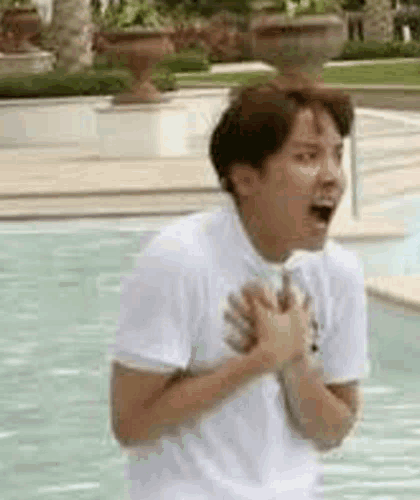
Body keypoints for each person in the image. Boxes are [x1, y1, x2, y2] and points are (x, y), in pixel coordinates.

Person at [109, 76, 369, 500]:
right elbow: (132, 425)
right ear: (245, 178)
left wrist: (295, 362)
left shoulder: (339, 272)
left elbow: (333, 431)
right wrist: (260, 359)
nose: (333, 177)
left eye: (337, 156)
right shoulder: (179, 260)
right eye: (307, 157)